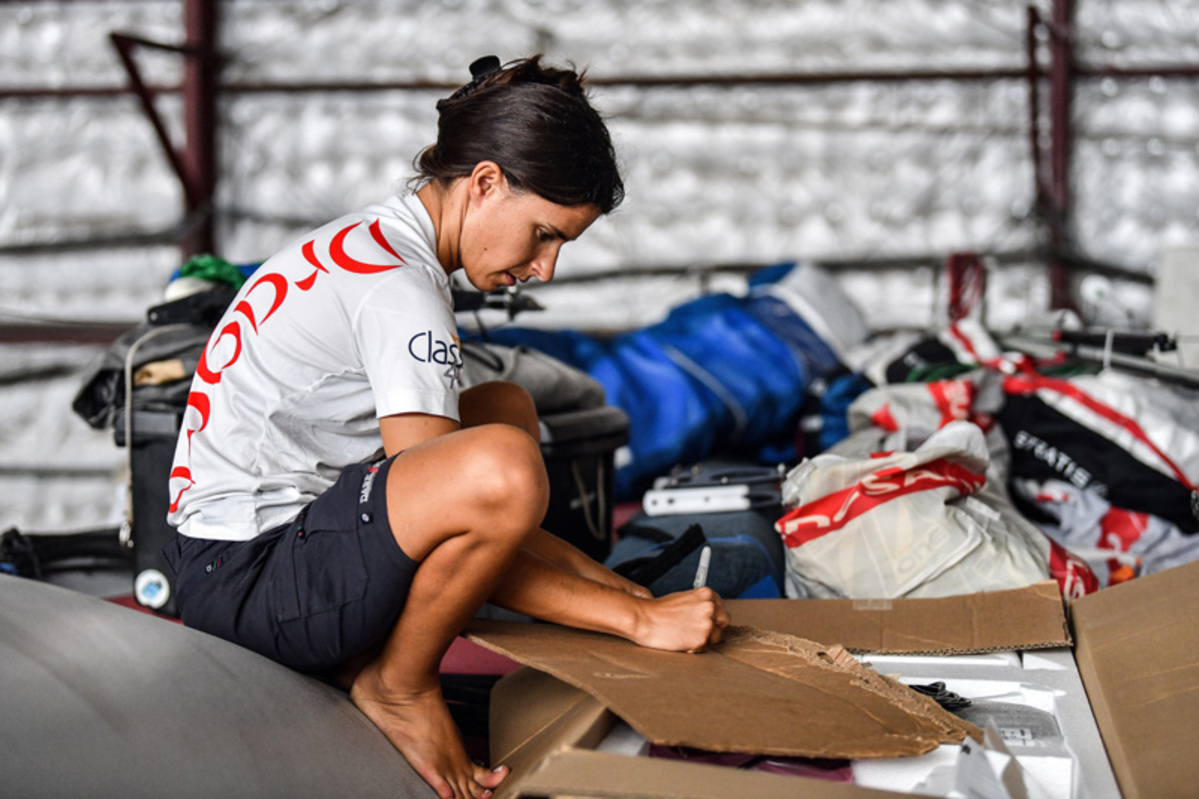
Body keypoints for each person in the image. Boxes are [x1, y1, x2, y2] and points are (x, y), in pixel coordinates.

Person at [163, 55, 730, 799]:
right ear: (486, 182)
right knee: (500, 464)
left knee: (502, 411)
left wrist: (621, 594)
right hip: (249, 586)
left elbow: (455, 504)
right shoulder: (398, 287)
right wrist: (632, 619)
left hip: (236, 561)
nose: (545, 268)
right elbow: (471, 501)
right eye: (542, 234)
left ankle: (388, 660)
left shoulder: (380, 243)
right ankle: (398, 683)